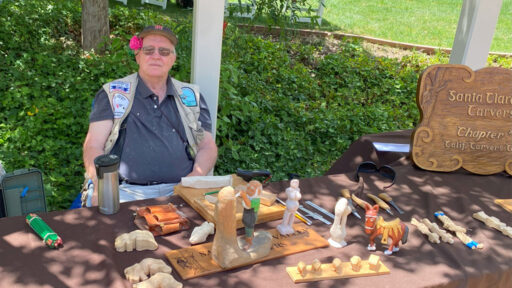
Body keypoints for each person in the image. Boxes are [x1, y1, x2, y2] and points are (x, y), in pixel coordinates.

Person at [82, 25, 218, 206]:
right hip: (124, 191)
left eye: (164, 51)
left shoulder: (191, 97)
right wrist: (102, 185)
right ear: (137, 56)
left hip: (181, 188)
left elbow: (207, 146)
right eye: (148, 50)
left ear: (173, 59)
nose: (156, 56)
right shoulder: (113, 93)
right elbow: (93, 145)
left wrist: (193, 180)